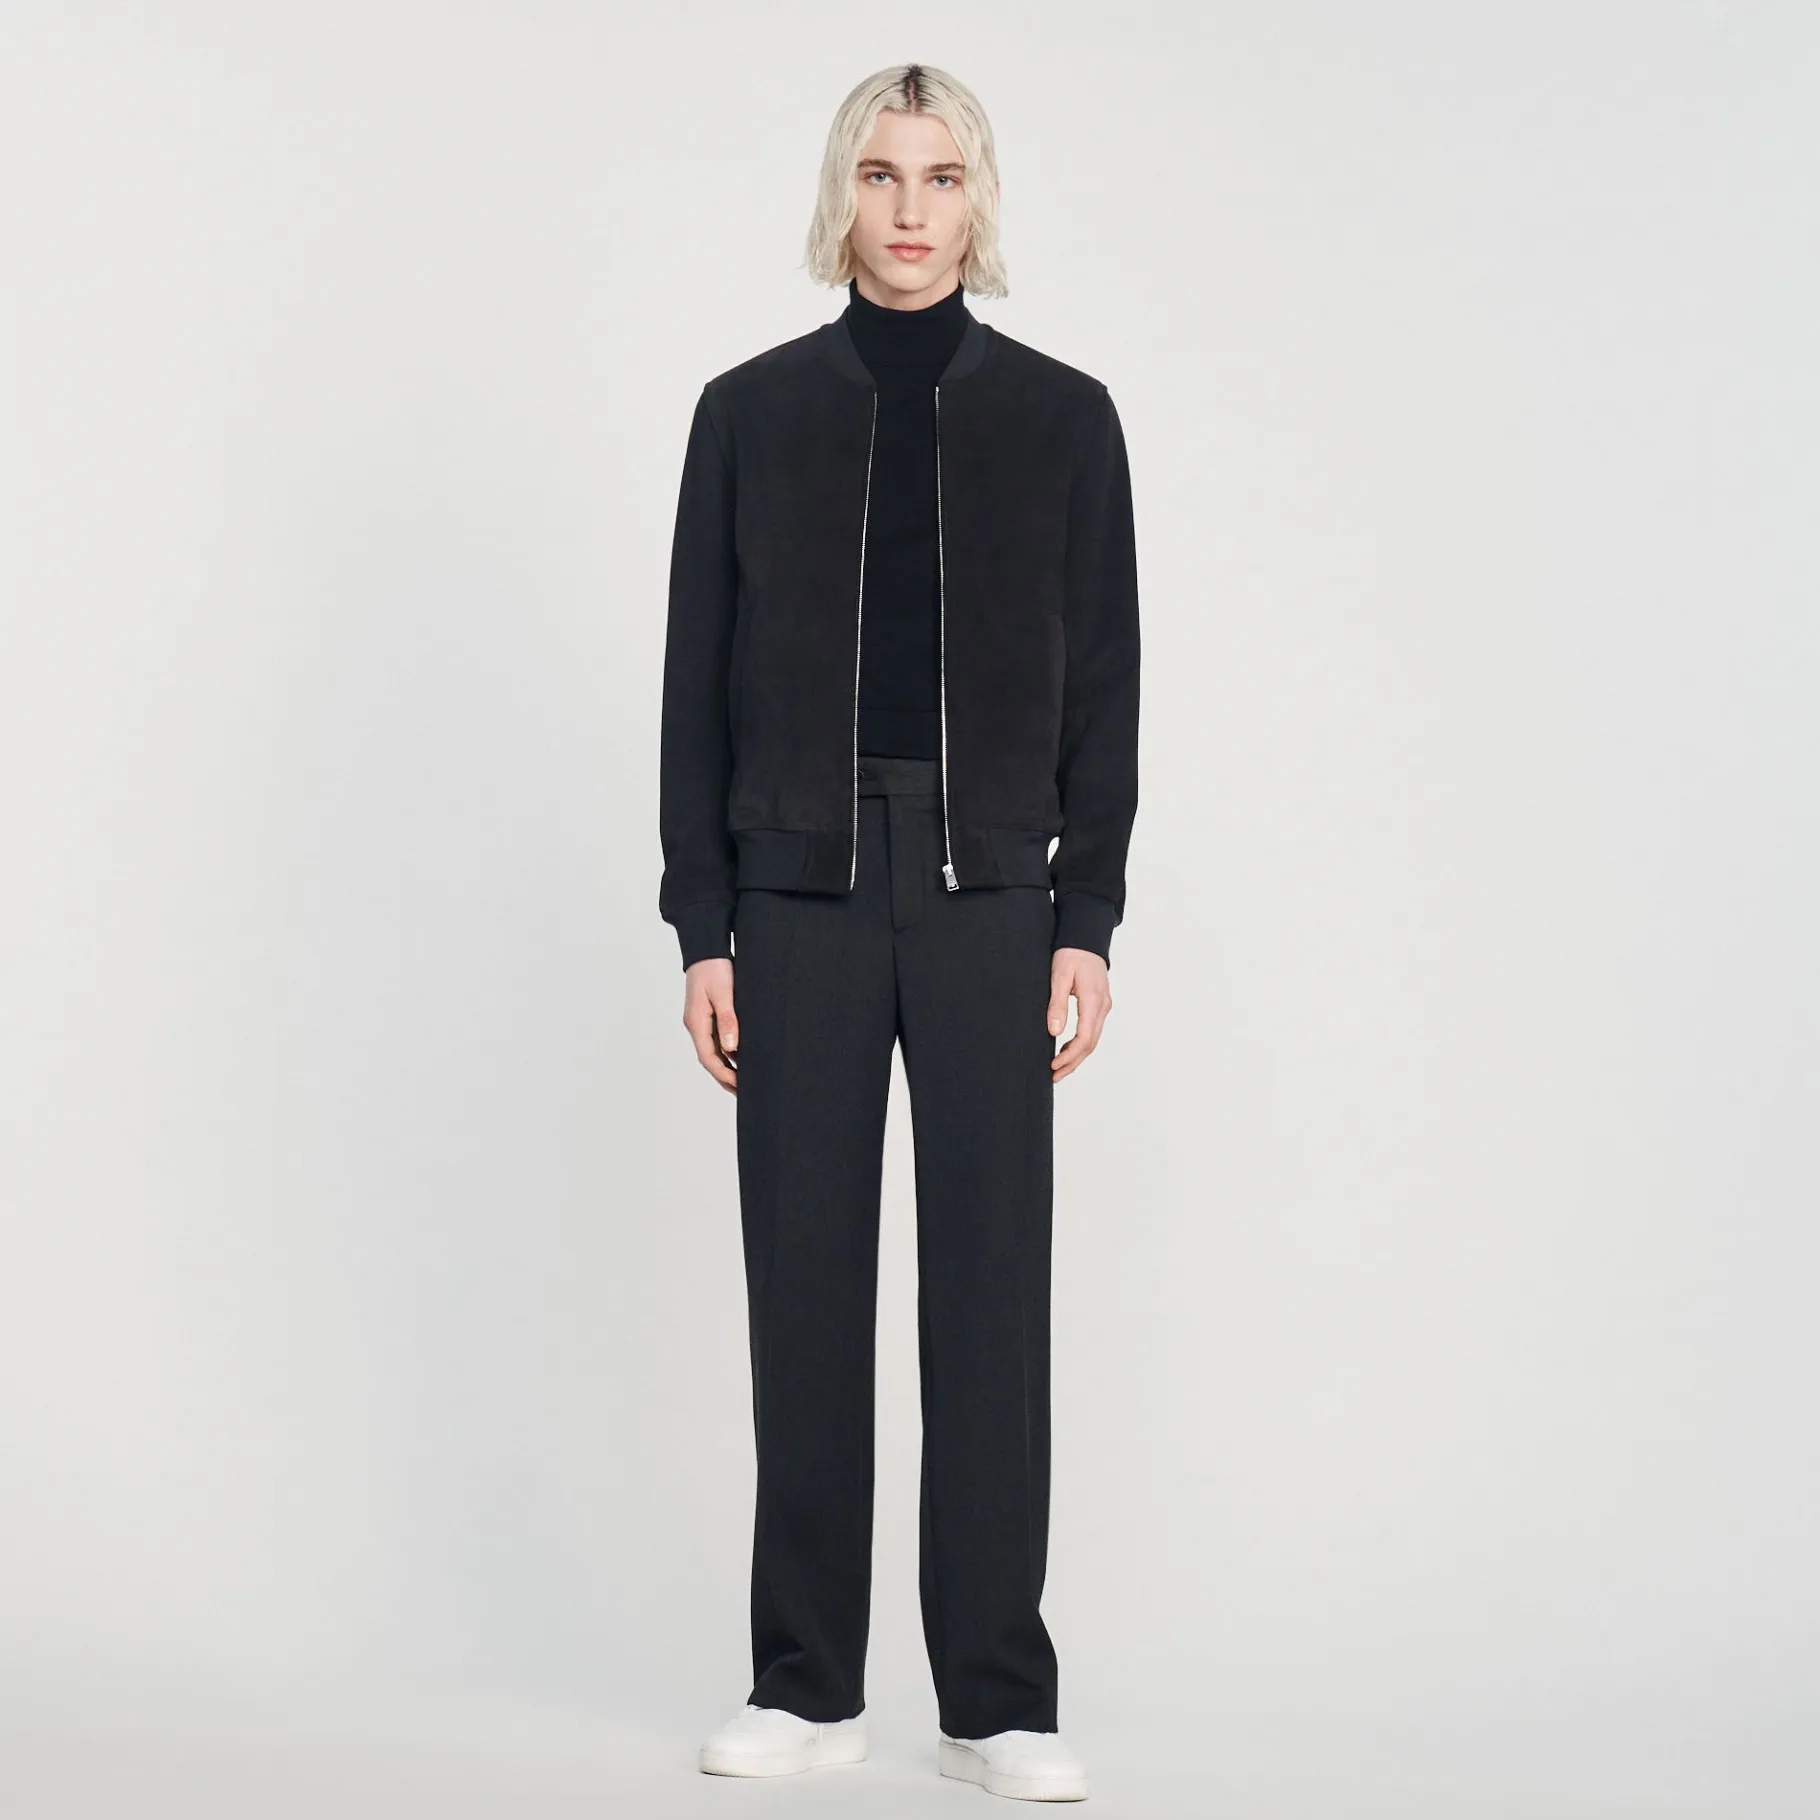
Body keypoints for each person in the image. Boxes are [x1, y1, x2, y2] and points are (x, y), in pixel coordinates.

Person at [657, 62, 1139, 1805]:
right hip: (797, 888)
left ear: (977, 197)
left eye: (940, 176)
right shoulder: (749, 413)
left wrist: (1086, 911)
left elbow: (1105, 680)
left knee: (992, 1291)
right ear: (841, 197)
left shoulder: (1066, 419)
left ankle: (998, 1696)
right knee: (804, 1285)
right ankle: (806, 1684)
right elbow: (694, 682)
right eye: (880, 174)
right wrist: (702, 923)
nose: (911, 208)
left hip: (991, 891)